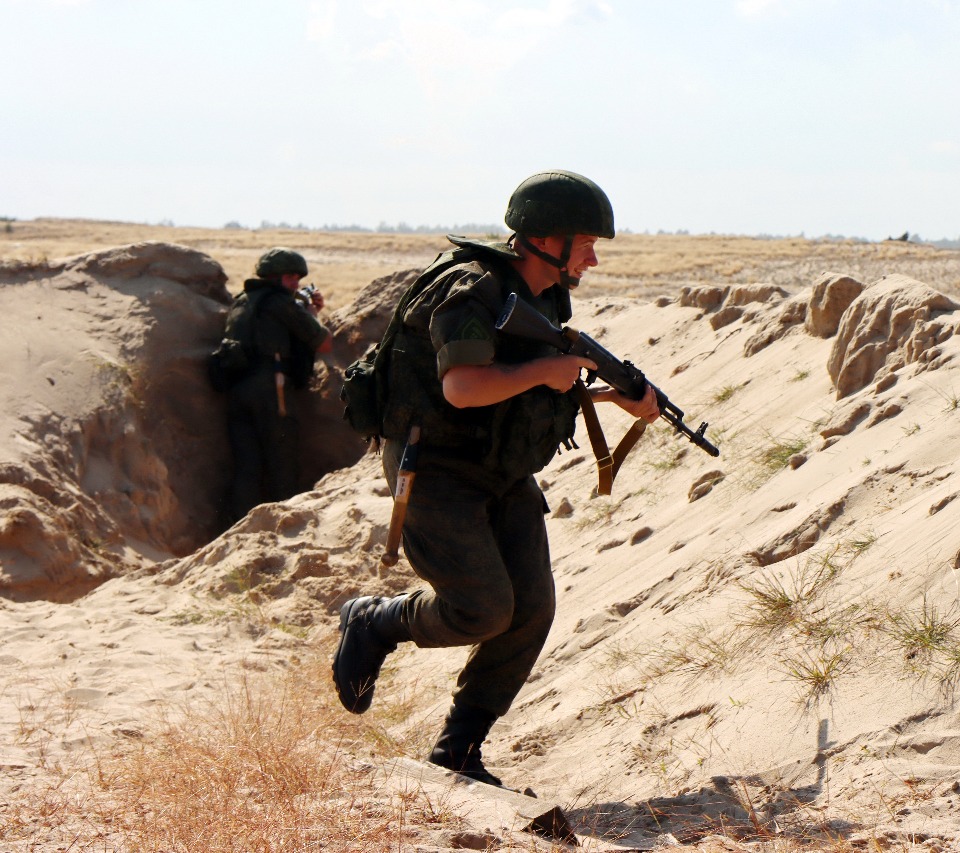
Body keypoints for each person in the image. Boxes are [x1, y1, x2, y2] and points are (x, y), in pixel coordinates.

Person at [331, 170, 659, 788]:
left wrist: (619, 395)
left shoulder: (546, 295)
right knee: (481, 609)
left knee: (531, 610)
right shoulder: (471, 290)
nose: (593, 258)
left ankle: (458, 751)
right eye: (586, 243)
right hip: (435, 469)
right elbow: (462, 387)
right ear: (547, 240)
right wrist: (547, 372)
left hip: (501, 467)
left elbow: (536, 381)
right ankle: (376, 620)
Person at [223, 247, 332, 524]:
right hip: (272, 391)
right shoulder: (280, 303)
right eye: (290, 277)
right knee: (283, 463)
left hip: (237, 390)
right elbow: (323, 342)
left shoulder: (242, 301)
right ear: (274, 277)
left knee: (247, 466)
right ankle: (285, 528)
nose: (296, 284)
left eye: (298, 278)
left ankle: (238, 527)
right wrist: (311, 314)